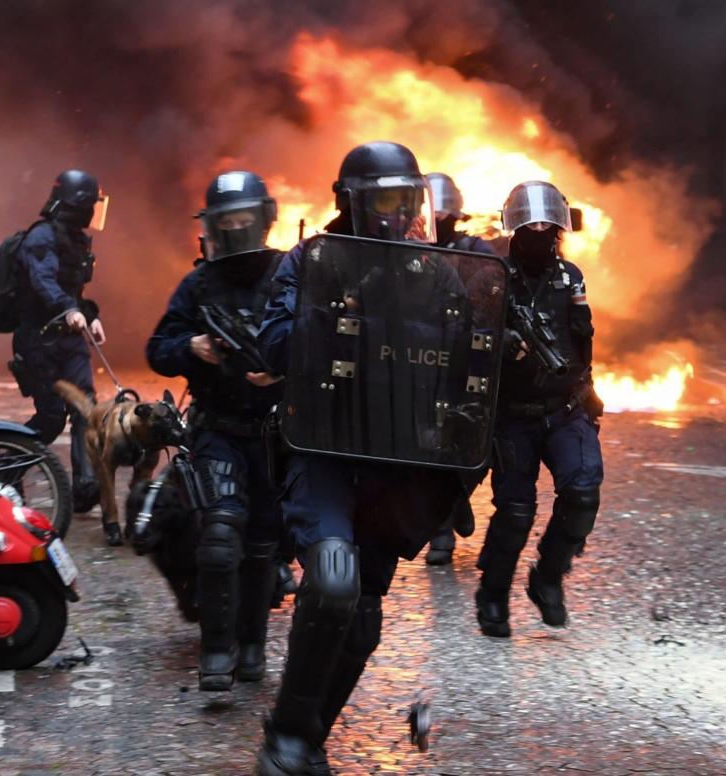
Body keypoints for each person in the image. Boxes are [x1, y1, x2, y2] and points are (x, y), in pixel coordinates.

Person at [254, 142, 469, 775]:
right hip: (322, 447)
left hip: (394, 457)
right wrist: (340, 307)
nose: (396, 214)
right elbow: (273, 348)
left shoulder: (436, 272)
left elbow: (463, 361)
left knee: (363, 616)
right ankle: (287, 739)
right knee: (331, 579)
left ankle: (308, 737)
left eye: (407, 200)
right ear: (349, 201)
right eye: (383, 201)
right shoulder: (308, 262)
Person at [146, 170, 285, 691]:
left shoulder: (289, 274)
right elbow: (157, 349)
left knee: (264, 546)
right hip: (219, 427)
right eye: (228, 223)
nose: (237, 231)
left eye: (244, 222)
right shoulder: (199, 283)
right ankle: (217, 653)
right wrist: (192, 348)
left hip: (275, 433)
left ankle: (252, 649)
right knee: (220, 538)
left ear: (263, 221)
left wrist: (283, 370)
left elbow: (322, 342)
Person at [473, 180, 603, 639]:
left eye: (549, 223)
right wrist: (496, 342)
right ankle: (492, 594)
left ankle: (548, 576)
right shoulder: (491, 275)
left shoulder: (571, 277)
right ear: (514, 227)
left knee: (583, 493)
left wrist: (589, 394)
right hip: (512, 414)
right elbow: (461, 338)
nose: (541, 230)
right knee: (514, 513)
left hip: (566, 407)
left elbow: (582, 343)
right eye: (531, 223)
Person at [9, 169, 109, 518]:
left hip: (69, 340)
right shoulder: (41, 237)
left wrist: (88, 313)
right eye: (92, 205)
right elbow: (43, 281)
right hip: (39, 341)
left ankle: (85, 486)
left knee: (86, 409)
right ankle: (7, 469)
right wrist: (67, 309)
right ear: (77, 206)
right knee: (51, 419)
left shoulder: (76, 240)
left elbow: (72, 291)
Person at [423, 172, 499, 566]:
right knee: (426, 445)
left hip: (466, 362)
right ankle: (439, 531)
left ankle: (455, 498)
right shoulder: (409, 251)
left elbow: (492, 297)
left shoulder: (476, 251)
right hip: (420, 360)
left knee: (476, 445)